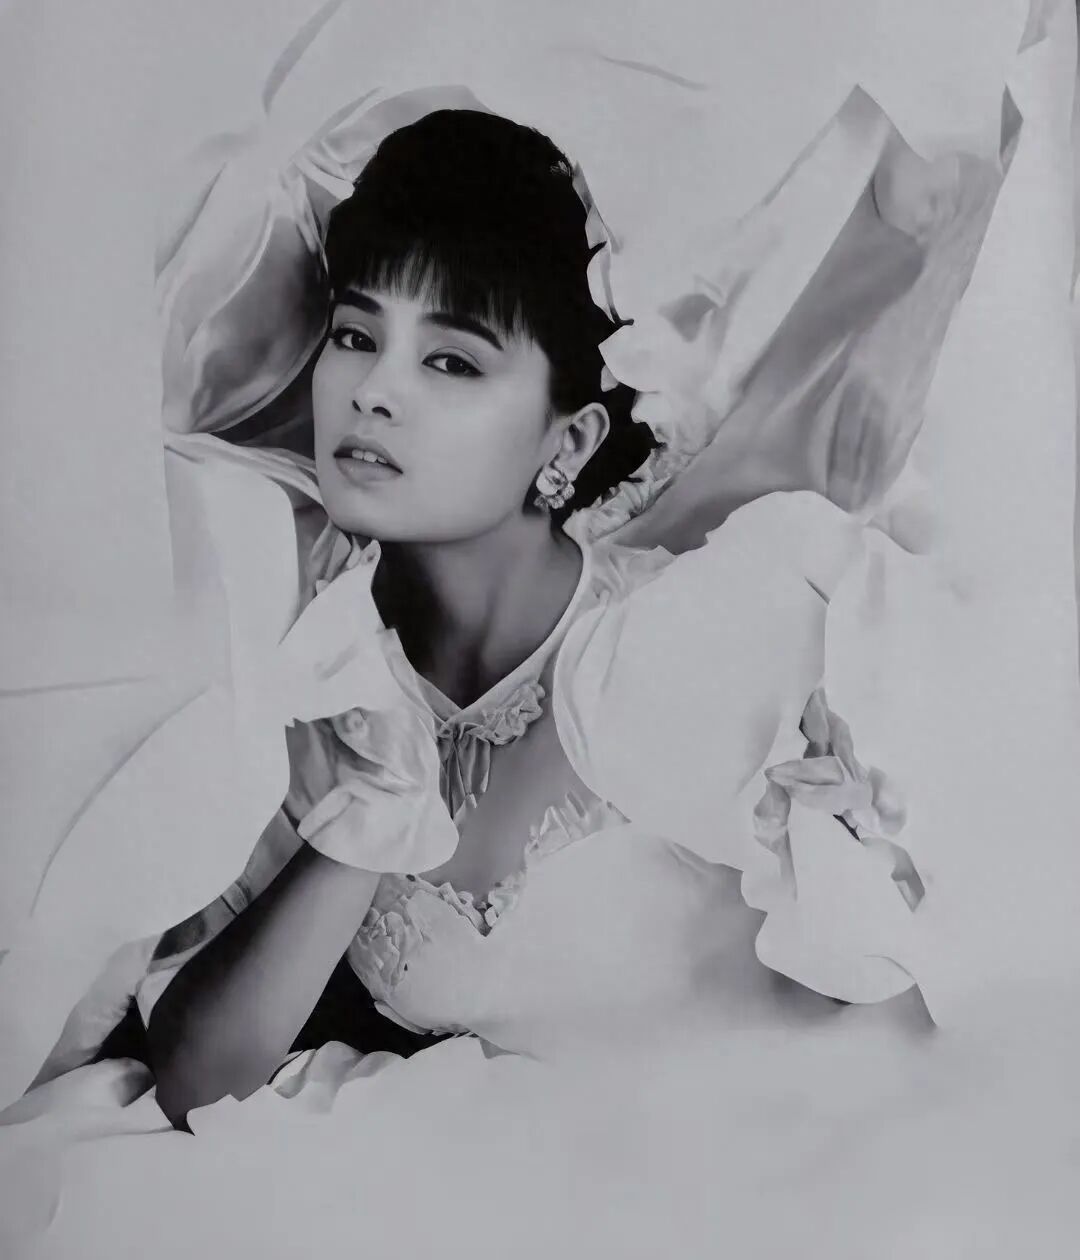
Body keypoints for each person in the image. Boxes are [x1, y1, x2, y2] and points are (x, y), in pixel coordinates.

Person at [140, 108, 925, 1130]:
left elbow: (898, 1010)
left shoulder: (691, 635)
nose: (373, 392)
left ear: (569, 441)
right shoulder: (304, 684)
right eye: (356, 336)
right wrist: (368, 818)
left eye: (452, 362)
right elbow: (197, 1085)